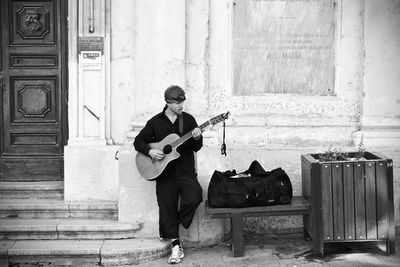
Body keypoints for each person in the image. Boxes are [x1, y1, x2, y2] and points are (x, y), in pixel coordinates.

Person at [133, 85, 203, 264]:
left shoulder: (188, 120)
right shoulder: (155, 122)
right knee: (167, 206)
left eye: (182, 101)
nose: (182, 105)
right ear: (168, 102)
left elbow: (197, 147)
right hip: (164, 174)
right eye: (178, 102)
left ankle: (170, 226)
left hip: (185, 171)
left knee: (194, 196)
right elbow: (138, 141)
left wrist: (197, 137)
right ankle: (175, 245)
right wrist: (150, 152)